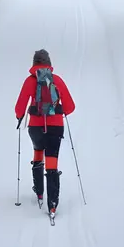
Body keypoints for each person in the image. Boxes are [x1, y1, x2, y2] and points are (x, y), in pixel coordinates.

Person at [14, 49, 75, 215]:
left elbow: (19, 108)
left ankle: (40, 192)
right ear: (49, 64)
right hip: (55, 127)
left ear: (34, 64)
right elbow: (70, 107)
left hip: (35, 127)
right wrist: (58, 110)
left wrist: (20, 116)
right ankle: (53, 203)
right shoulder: (57, 81)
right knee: (52, 162)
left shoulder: (29, 81)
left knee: (38, 152)